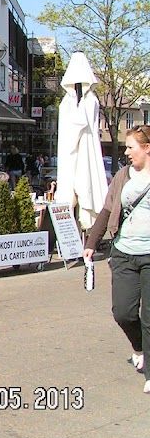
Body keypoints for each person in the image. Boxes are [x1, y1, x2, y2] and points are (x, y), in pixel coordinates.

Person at [83, 125, 150, 394]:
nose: (126, 151)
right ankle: (139, 347)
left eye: (131, 147)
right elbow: (108, 209)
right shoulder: (123, 176)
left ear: (147, 148)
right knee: (123, 312)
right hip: (123, 252)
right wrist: (91, 242)